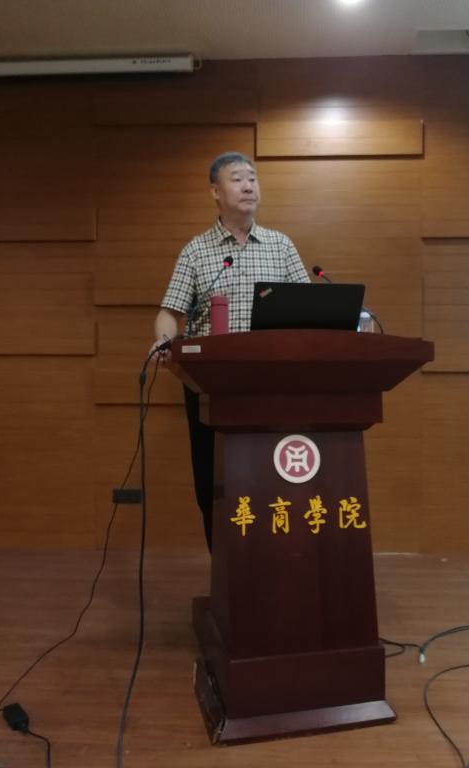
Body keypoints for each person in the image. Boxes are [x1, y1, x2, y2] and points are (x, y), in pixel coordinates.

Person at [153, 151, 310, 550]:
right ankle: (223, 564)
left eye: (252, 178)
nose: (248, 186)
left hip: (271, 384)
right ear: (215, 192)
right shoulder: (197, 251)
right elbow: (170, 313)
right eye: (237, 179)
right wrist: (164, 340)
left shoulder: (280, 246)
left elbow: (309, 310)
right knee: (213, 481)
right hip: (210, 386)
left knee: (272, 476)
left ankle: (273, 561)